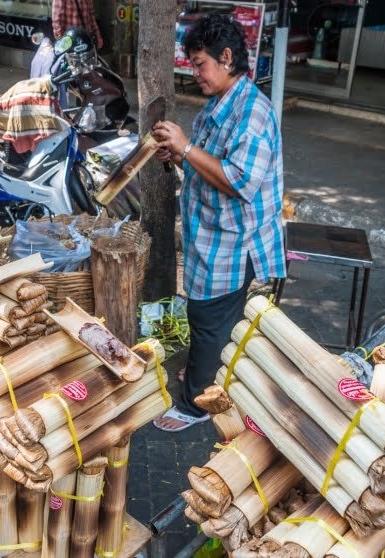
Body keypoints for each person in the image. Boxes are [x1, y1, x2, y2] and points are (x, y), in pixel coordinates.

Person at [151, 13, 285, 432]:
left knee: (210, 320)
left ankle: (195, 404)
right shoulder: (219, 105)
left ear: (226, 57)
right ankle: (206, 375)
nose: (195, 73)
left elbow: (240, 181)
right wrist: (180, 156)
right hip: (210, 236)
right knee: (207, 316)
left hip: (232, 241)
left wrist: (186, 148)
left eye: (200, 63)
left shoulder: (253, 114)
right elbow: (208, 164)